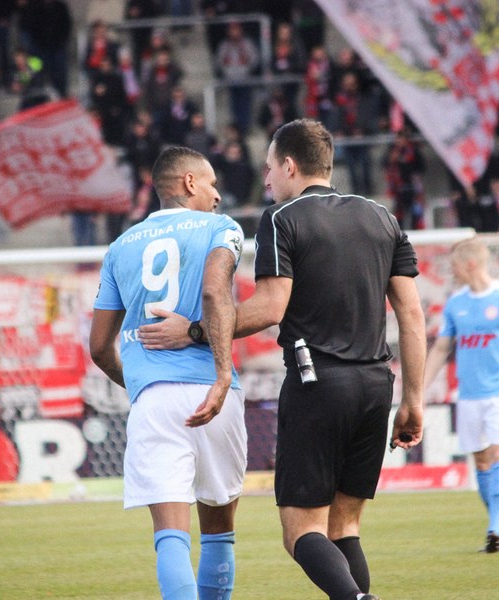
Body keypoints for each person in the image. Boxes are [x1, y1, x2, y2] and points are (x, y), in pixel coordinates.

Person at [139, 119, 426, 600]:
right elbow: (412, 315)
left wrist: (194, 330)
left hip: (318, 384)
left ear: (290, 166)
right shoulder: (382, 217)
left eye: (270, 169)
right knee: (344, 527)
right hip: (377, 384)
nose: (267, 180)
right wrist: (414, 400)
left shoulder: (281, 218)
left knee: (301, 533)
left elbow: (271, 308)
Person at [89, 146, 247, 600]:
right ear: (190, 183)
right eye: (212, 183)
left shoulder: (121, 246)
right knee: (218, 530)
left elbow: (99, 347)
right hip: (215, 393)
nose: (217, 195)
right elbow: (215, 294)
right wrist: (221, 374)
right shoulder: (222, 227)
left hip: (154, 400)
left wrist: (143, 384)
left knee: (170, 534)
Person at [422, 237, 499, 553]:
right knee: (480, 459)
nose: (451, 271)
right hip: (469, 395)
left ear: (469, 264)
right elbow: (441, 348)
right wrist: (419, 390)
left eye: (454, 265)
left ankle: (494, 528)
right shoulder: (455, 304)